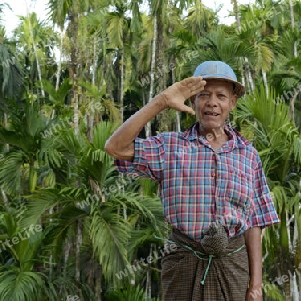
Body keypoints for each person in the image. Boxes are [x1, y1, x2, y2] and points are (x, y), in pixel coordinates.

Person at [105, 61, 280, 301]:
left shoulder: (248, 154)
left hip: (233, 268)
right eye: (204, 95)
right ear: (192, 101)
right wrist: (161, 101)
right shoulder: (170, 147)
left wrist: (256, 286)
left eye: (221, 96)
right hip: (183, 263)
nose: (212, 103)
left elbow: (254, 222)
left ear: (232, 103)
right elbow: (115, 147)